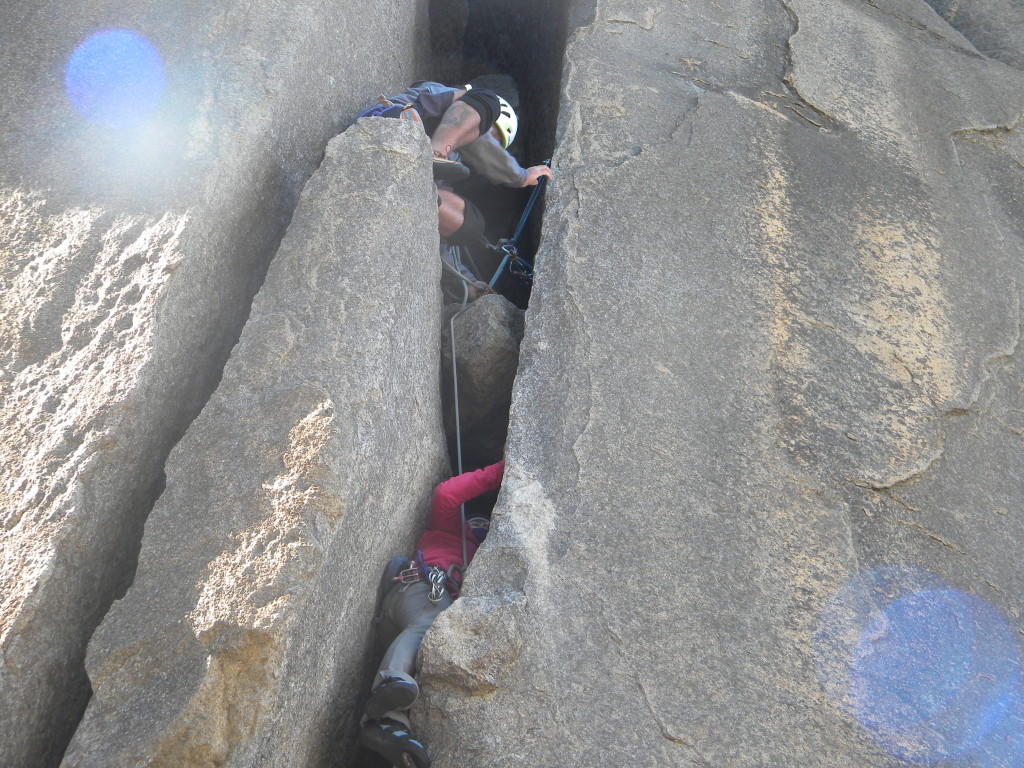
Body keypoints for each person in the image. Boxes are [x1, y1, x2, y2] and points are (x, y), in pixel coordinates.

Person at [359, 461, 505, 768]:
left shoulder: (489, 564)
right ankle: (390, 687)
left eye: (485, 530)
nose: (479, 531)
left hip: (403, 626)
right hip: (420, 592)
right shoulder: (450, 528)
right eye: (476, 525)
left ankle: (392, 729)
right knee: (430, 622)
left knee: (430, 666)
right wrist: (504, 470)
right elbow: (447, 494)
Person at [358, 82, 553, 299]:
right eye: (489, 131)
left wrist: (466, 282)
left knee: (471, 225)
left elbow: (436, 235)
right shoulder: (449, 96)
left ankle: (418, 187)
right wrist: (522, 176)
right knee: (486, 99)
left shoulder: (451, 167)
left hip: (399, 181)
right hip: (390, 126)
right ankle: (433, 153)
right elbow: (479, 121)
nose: (484, 139)